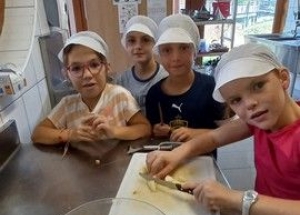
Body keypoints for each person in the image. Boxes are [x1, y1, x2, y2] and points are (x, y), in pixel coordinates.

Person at [146, 43, 300, 215]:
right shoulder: (260, 119)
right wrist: (176, 154)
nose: (249, 104)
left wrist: (235, 199)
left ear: (283, 78)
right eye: (236, 100)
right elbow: (215, 137)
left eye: (258, 85)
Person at [31, 31, 151, 152]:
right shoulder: (67, 105)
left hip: (117, 164)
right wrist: (71, 134)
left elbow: (144, 128)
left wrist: (114, 131)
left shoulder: (119, 96)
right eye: (76, 68)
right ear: (67, 74)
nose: (87, 75)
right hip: (83, 166)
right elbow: (38, 134)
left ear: (107, 67)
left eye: (94, 65)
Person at [145, 13, 225, 143]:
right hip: (166, 158)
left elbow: (226, 132)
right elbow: (151, 134)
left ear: (195, 50)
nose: (176, 57)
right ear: (159, 54)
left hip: (203, 159)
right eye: (167, 50)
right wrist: (156, 131)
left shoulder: (210, 86)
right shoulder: (154, 94)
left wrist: (195, 133)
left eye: (183, 48)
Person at [115, 15, 168, 116]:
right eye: (132, 41)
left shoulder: (165, 77)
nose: (138, 46)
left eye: (145, 40)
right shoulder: (122, 81)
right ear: (126, 45)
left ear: (155, 43)